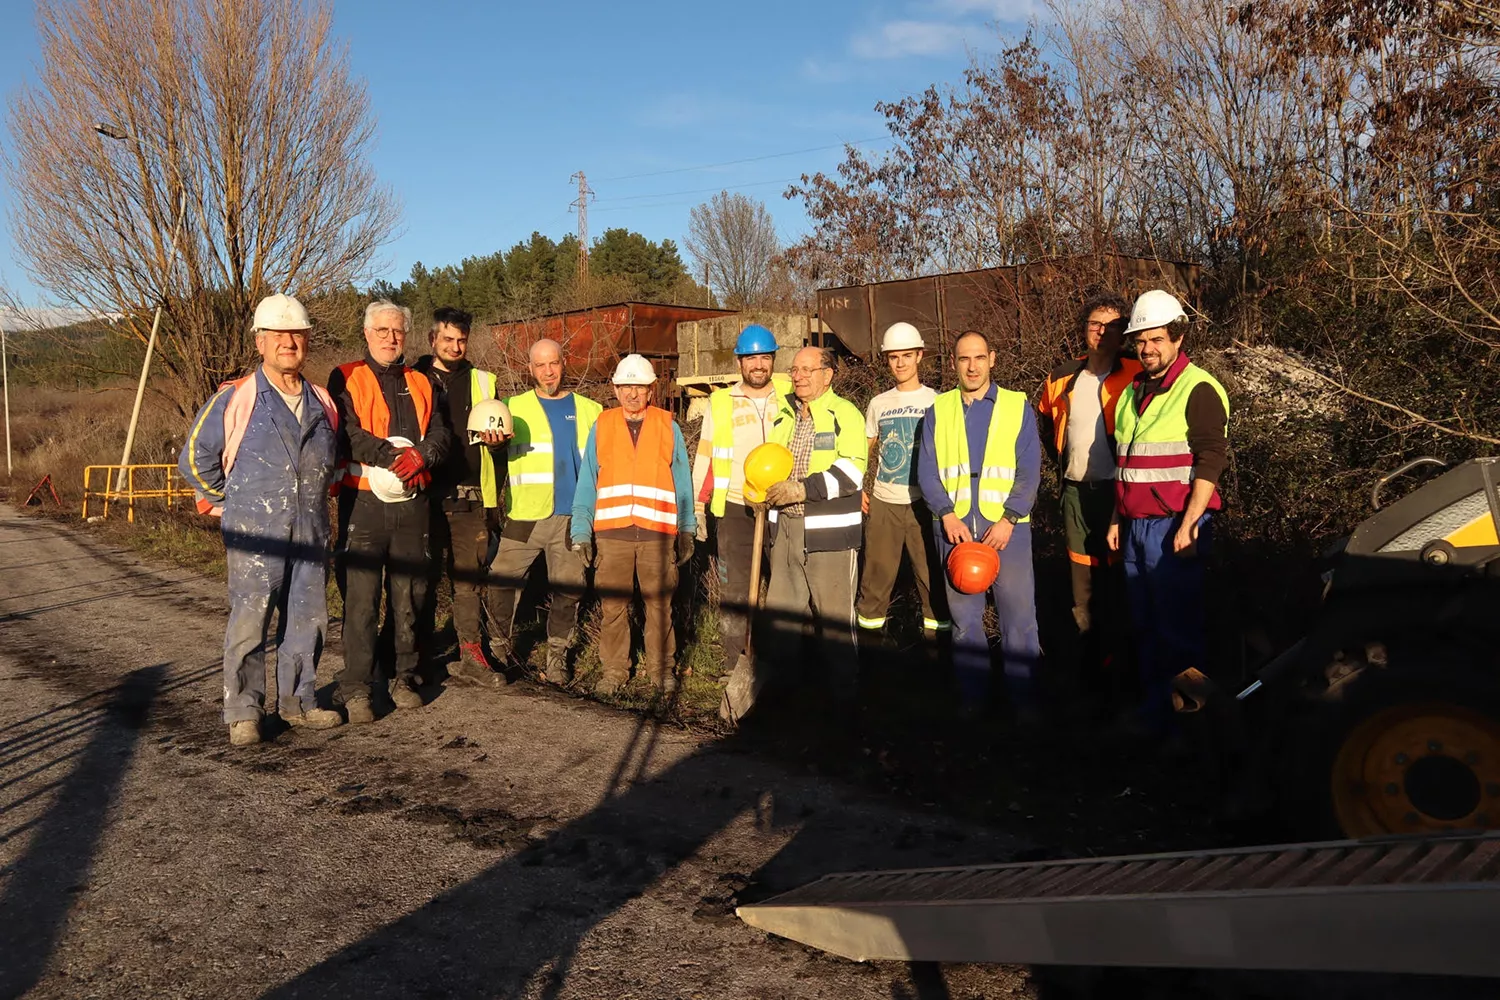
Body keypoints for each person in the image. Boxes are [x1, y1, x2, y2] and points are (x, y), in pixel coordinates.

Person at [180, 293, 344, 746]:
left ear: (307, 340)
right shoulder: (237, 397)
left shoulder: (323, 402)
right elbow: (194, 460)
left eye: (297, 334)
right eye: (278, 335)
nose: (288, 342)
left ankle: (298, 702)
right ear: (260, 342)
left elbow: (332, 466)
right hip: (254, 533)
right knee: (251, 621)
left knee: (309, 618)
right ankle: (244, 710)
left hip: (310, 530)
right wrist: (229, 505)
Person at [1106, 290, 1229, 734]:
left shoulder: (1197, 388)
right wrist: (1117, 518)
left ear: (1178, 336)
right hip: (1136, 526)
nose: (1147, 349)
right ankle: (1155, 715)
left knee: (1179, 631)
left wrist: (1191, 523)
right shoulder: (1133, 390)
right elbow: (1125, 461)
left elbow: (1210, 458)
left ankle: (1192, 727)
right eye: (1140, 341)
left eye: (1156, 339)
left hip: (1175, 527)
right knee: (1146, 627)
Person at [722, 346, 866, 721]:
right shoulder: (785, 416)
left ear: (828, 374)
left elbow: (852, 472)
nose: (798, 376)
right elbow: (770, 467)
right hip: (785, 531)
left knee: (834, 623)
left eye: (807, 369)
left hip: (828, 536)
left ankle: (845, 708)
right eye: (794, 369)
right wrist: (759, 494)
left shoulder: (844, 414)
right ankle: (782, 708)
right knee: (782, 624)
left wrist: (803, 489)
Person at [328, 300, 451, 724]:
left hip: (412, 502)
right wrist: (389, 455)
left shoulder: (422, 380)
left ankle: (405, 676)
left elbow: (441, 431)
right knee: (361, 600)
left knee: (410, 595)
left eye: (397, 331)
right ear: (366, 333)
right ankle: (357, 688)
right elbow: (344, 432)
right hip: (363, 501)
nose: (390, 338)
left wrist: (424, 455)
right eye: (381, 330)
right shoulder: (346, 376)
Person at [917, 331, 1043, 720]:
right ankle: (972, 701)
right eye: (962, 359)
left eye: (978, 358)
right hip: (956, 532)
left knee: (1019, 620)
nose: (971, 367)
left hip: (1007, 532)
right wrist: (946, 513)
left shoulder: (1016, 407)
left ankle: (1024, 703)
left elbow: (1029, 471)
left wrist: (1009, 518)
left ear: (992, 358)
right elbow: (927, 471)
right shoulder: (939, 410)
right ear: (953, 362)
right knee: (964, 622)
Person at [570, 354, 696, 694]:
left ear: (651, 389)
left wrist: (687, 529)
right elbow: (587, 483)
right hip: (612, 535)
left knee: (659, 606)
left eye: (639, 387)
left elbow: (682, 482)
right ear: (615, 388)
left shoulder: (667, 425)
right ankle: (614, 672)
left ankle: (661, 670)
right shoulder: (602, 425)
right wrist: (580, 531)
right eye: (626, 387)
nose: (632, 394)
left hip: (658, 534)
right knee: (613, 606)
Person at [1037, 292, 1141, 699]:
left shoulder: (1137, 372)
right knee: (1081, 579)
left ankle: (1122, 665)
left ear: (1124, 333)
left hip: (1120, 493)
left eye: (1112, 325)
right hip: (1076, 493)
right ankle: (1088, 665)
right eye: (1095, 324)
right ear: (1084, 330)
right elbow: (1045, 422)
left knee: (1118, 579)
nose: (1102, 332)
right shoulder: (1062, 376)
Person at [488, 338, 602, 683]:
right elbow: (492, 460)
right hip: (524, 516)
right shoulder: (511, 407)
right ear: (530, 368)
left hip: (572, 516)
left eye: (553, 363)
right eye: (540, 365)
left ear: (563, 363)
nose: (548, 371)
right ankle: (498, 650)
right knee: (501, 580)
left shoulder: (591, 410)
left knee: (569, 588)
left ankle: (557, 657)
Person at [413, 306, 508, 688]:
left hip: (470, 496)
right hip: (423, 496)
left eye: (461, 340)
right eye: (448, 338)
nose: (455, 346)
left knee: (468, 581)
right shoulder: (412, 377)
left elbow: (498, 444)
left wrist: (499, 447)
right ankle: (417, 655)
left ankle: (471, 653)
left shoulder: (484, 382)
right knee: (422, 577)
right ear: (432, 339)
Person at [690, 324, 789, 674]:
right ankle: (737, 666)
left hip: (784, 506)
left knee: (784, 589)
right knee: (735, 592)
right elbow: (705, 455)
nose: (758, 365)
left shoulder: (791, 392)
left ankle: (780, 664)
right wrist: (697, 507)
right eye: (751, 358)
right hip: (735, 507)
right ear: (739, 362)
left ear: (773, 359)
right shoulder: (721, 401)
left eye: (765, 357)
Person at [856, 322, 949, 637]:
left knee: (931, 577)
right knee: (875, 579)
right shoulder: (878, 403)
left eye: (907, 355)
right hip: (884, 503)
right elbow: (863, 450)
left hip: (926, 504)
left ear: (920, 356)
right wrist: (857, 487)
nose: (900, 363)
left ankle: (938, 655)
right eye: (893, 357)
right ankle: (868, 655)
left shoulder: (938, 401)